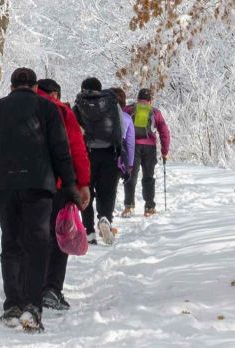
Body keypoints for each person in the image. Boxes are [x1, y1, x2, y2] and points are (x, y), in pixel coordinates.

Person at [0, 66, 77, 331]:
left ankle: (12, 306)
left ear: (11, 87)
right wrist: (71, 187)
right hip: (39, 187)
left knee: (11, 245)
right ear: (33, 86)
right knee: (38, 245)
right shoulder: (48, 109)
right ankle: (32, 306)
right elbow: (61, 151)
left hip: (3, 188)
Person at [33, 79, 91, 312]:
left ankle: (30, 287)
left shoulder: (22, 108)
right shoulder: (62, 111)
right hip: (57, 184)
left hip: (25, 184)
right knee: (59, 237)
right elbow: (77, 149)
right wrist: (83, 183)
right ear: (55, 93)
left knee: (32, 237)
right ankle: (52, 289)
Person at [73, 77, 129, 237]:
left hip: (87, 154)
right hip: (109, 153)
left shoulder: (78, 104)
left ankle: (88, 230)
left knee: (86, 191)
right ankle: (105, 218)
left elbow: (74, 132)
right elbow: (121, 129)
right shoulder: (112, 102)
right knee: (108, 191)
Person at [130, 86, 171, 216]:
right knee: (148, 177)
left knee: (131, 176)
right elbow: (164, 132)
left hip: (133, 146)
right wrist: (165, 151)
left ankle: (129, 205)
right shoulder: (155, 112)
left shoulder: (129, 109)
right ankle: (149, 207)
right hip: (149, 147)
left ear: (138, 99)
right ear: (150, 101)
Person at [111, 86, 137, 213]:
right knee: (112, 188)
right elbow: (130, 143)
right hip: (117, 156)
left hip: (96, 154)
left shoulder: (98, 115)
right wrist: (130, 164)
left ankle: (92, 222)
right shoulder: (126, 117)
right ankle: (106, 217)